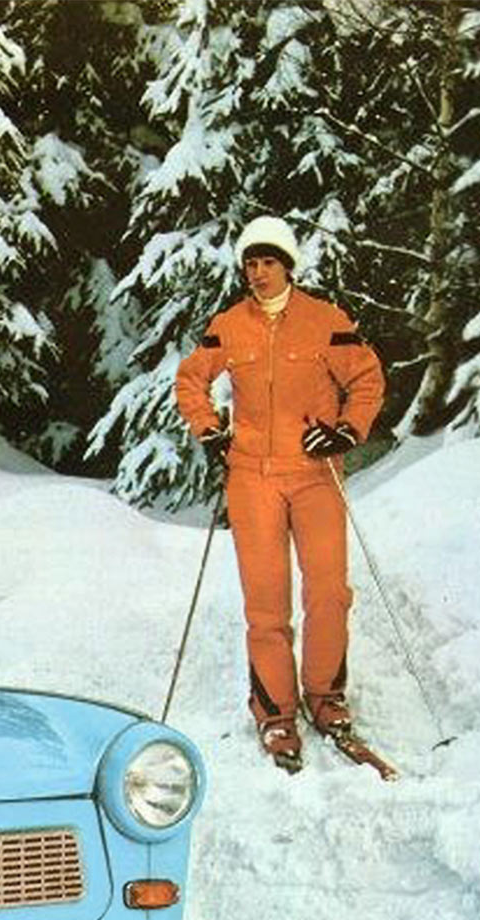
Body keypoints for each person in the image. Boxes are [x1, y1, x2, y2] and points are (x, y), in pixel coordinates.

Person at [174, 214, 385, 770]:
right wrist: (209, 429)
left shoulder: (325, 320)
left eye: (268, 261)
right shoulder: (229, 325)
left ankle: (326, 697)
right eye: (250, 263)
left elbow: (366, 379)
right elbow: (191, 379)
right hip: (252, 477)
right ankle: (275, 713)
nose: (258, 272)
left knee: (329, 591)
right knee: (266, 603)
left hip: (315, 473)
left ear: (288, 266)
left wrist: (345, 430)